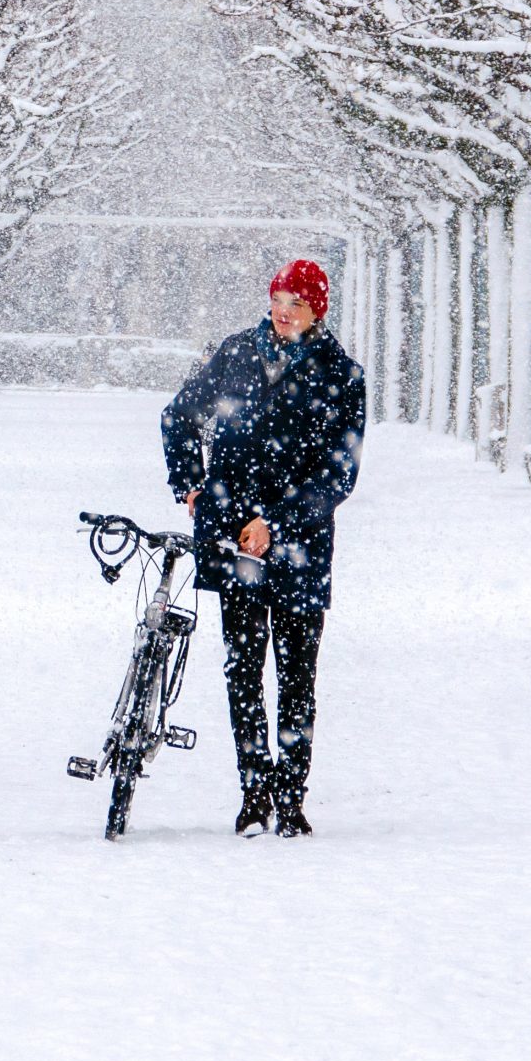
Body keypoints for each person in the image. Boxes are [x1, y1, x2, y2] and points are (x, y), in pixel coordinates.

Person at [160, 259, 367, 837]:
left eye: (297, 302)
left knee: (297, 676)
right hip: (233, 543)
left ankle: (291, 796)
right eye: (279, 297)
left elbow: (338, 474)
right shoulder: (234, 355)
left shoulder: (342, 376)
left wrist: (276, 522)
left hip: (300, 549)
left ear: (318, 310)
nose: (284, 310)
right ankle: (253, 791)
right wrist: (191, 484)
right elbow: (178, 417)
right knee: (243, 671)